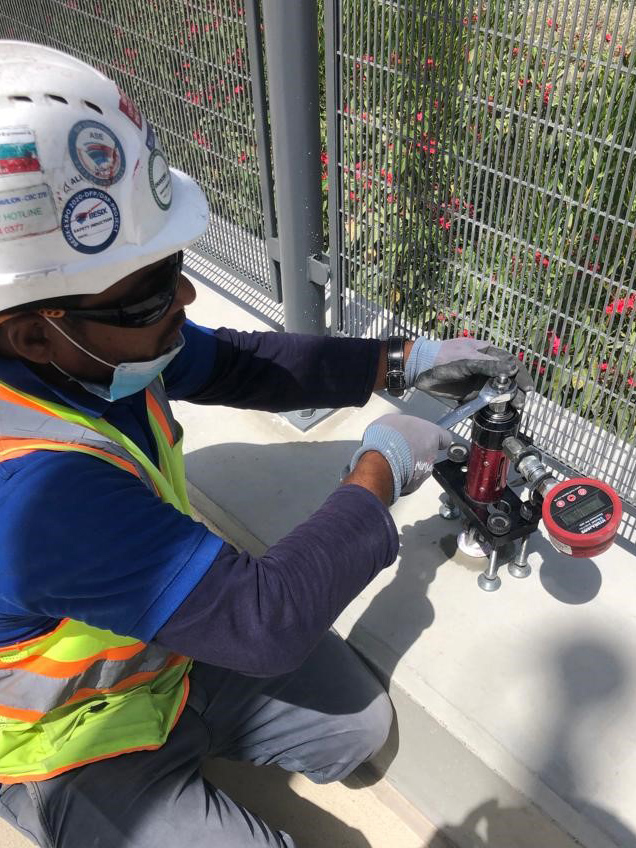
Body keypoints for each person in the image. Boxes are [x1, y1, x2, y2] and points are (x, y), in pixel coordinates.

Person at [0, 42, 532, 848]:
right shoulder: (35, 492)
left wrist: (401, 361)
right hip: (63, 738)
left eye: (173, 266)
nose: (183, 296)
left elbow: (237, 363)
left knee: (354, 726)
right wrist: (379, 469)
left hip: (162, 654)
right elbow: (262, 622)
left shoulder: (93, 348)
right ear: (33, 333)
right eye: (150, 293)